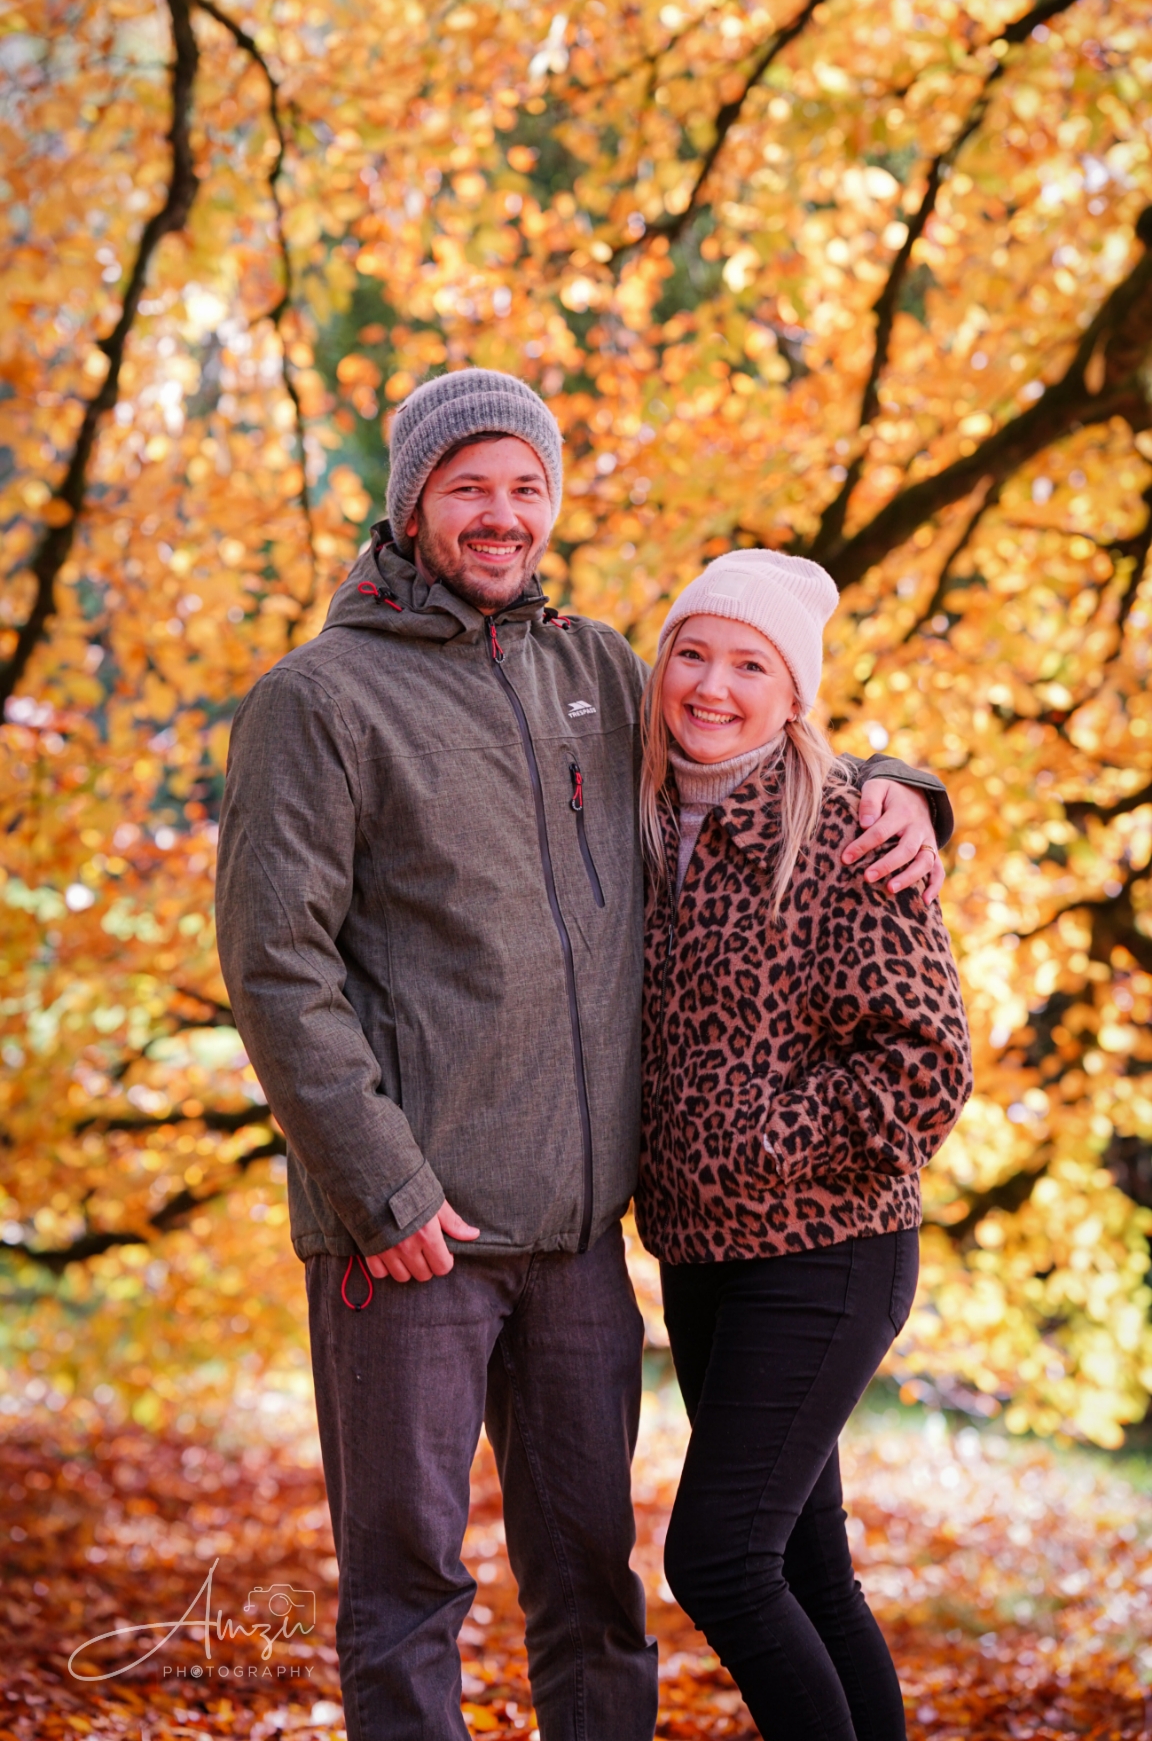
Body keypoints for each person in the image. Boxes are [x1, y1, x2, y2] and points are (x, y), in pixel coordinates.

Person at [215, 367, 954, 1741]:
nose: (503, 516)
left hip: (580, 1245)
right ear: (414, 503)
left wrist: (909, 793)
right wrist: (383, 1189)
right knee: (408, 1591)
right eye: (470, 487)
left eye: (526, 487)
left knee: (594, 1595)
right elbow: (276, 970)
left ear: (551, 503)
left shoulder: (598, 673)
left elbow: (756, 722)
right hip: (409, 1233)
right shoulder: (317, 703)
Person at [635, 550, 973, 1741]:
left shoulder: (845, 827)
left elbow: (926, 1060)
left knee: (720, 1559)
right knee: (810, 1573)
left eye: (750, 663)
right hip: (700, 1256)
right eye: (692, 651)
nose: (712, 685)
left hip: (824, 1248)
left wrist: (762, 1141)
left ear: (794, 693)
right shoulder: (639, 820)